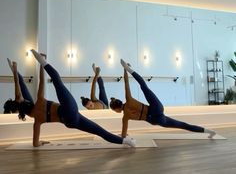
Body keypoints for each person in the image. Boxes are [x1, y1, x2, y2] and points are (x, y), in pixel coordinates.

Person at [4, 51, 135, 148]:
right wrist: (40, 64)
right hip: (68, 110)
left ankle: (125, 142)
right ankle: (125, 141)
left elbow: (35, 144)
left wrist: (40, 142)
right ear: (26, 102)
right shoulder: (39, 100)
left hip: (70, 121)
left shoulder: (36, 120)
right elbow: (40, 82)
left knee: (100, 131)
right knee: (57, 81)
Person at [110, 59, 216, 139]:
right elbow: (126, 83)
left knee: (182, 125)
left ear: (116, 109)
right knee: (144, 87)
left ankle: (209, 131)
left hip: (155, 119)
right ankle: (209, 131)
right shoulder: (128, 99)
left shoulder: (125, 117)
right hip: (157, 108)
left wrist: (123, 136)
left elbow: (123, 135)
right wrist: (125, 70)